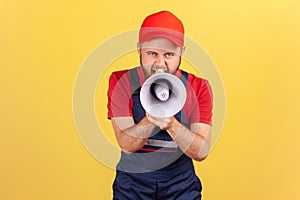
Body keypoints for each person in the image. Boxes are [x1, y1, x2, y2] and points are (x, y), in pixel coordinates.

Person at [107, 10, 213, 200]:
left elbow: (201, 151)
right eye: (152, 53)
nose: (160, 64)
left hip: (181, 184)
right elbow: (126, 144)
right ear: (139, 49)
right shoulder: (121, 82)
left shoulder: (199, 87)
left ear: (181, 52)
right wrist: (151, 119)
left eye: (169, 54)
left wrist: (172, 124)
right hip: (132, 184)